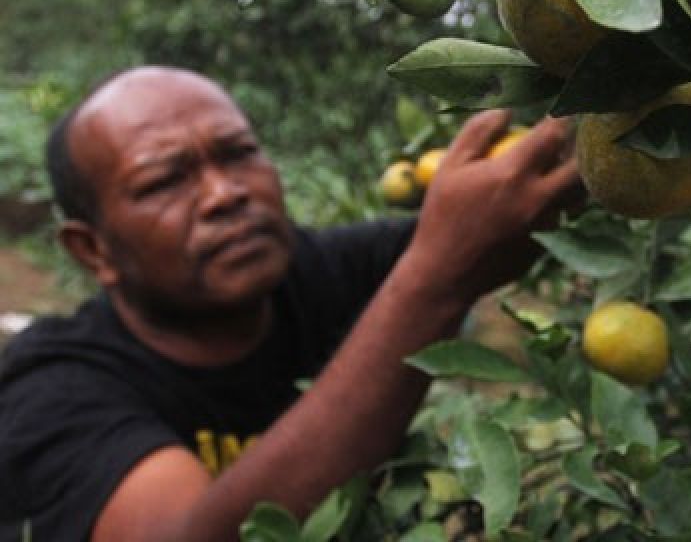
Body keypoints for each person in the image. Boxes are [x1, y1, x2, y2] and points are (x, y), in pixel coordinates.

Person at [0, 66, 581, 541]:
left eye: (238, 153)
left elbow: (502, 221)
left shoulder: (328, 272)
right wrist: (436, 281)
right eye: (163, 182)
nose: (225, 193)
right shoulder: (50, 387)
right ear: (92, 249)